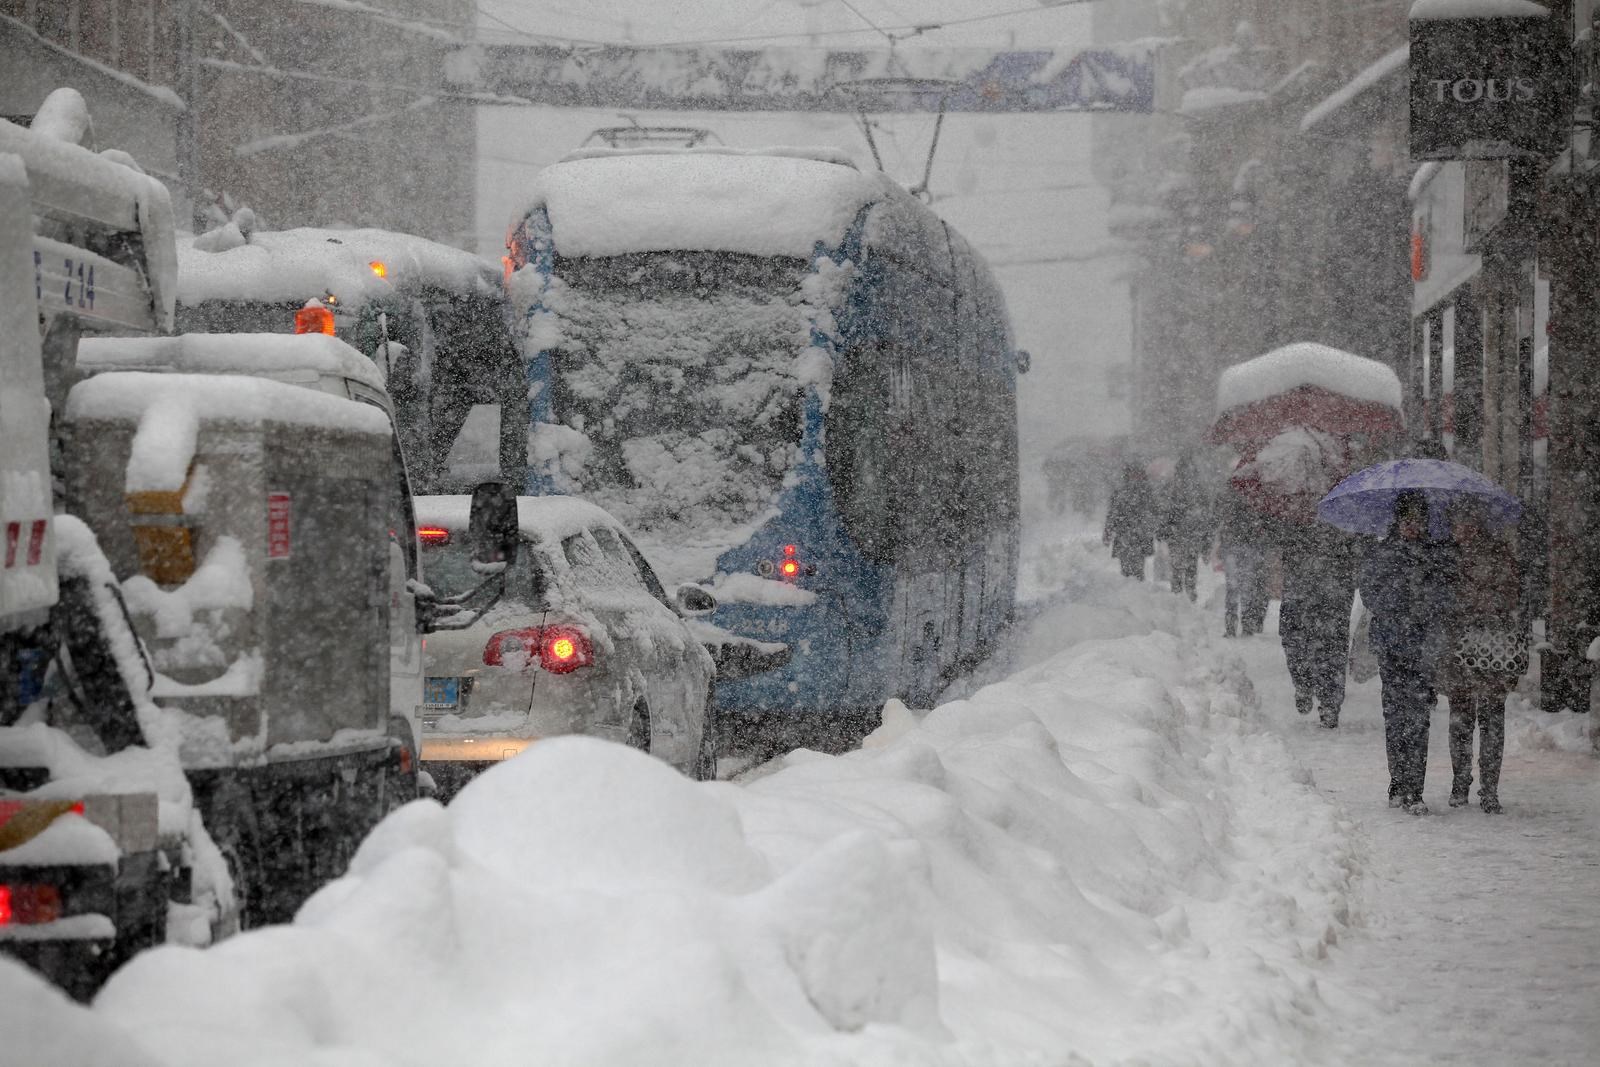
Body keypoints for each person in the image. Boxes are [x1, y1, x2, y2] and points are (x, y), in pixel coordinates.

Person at [1359, 490, 1455, 814]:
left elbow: (1446, 597)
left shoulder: (1437, 554)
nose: (1412, 525)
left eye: (1417, 519)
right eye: (1406, 519)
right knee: (1394, 716)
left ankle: (1415, 787)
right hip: (1391, 644)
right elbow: (1371, 593)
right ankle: (1397, 780)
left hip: (1423, 647)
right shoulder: (1382, 554)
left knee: (1419, 717)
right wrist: (1400, 603)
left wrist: (1424, 605)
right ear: (1397, 521)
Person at [1442, 501, 1522, 814]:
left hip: (1493, 646)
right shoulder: (1445, 555)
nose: (1462, 529)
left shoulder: (1499, 554)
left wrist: (1480, 600)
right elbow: (1438, 598)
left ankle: (1490, 789)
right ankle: (1460, 783)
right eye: (1457, 523)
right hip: (1458, 648)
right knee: (1460, 720)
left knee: (1492, 720)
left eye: (1467, 522)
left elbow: (1512, 594)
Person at [1279, 522, 1356, 727]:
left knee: (1332, 652)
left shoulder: (1345, 518)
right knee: (1296, 646)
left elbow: (1357, 556)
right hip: (1301, 595)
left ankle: (1330, 703)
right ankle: (1304, 684)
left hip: (1333, 598)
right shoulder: (1294, 518)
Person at [1159, 454, 1214, 602]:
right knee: (1190, 566)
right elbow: (1207, 517)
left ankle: (1179, 594)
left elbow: (1164, 512)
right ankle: (1188, 594)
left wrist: (1164, 530)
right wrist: (1206, 539)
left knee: (1179, 566)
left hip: (1179, 534)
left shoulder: (1172, 488)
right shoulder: (1198, 490)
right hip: (1190, 534)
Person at [1220, 493, 1268, 636]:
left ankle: (1232, 624)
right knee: (1246, 588)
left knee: (1233, 588)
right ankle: (1246, 624)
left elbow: (1224, 525)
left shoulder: (1232, 497)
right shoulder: (1258, 502)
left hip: (1235, 548)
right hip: (1249, 548)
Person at [1104, 463, 1155, 580]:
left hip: (1138, 535)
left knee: (1137, 568)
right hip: (1127, 534)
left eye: (1138, 474)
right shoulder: (1122, 492)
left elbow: (1153, 513)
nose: (1136, 477)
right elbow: (1113, 514)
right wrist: (1108, 530)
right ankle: (1130, 590)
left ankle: (1135, 590)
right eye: (1133, 474)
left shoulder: (1146, 493)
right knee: (1127, 568)